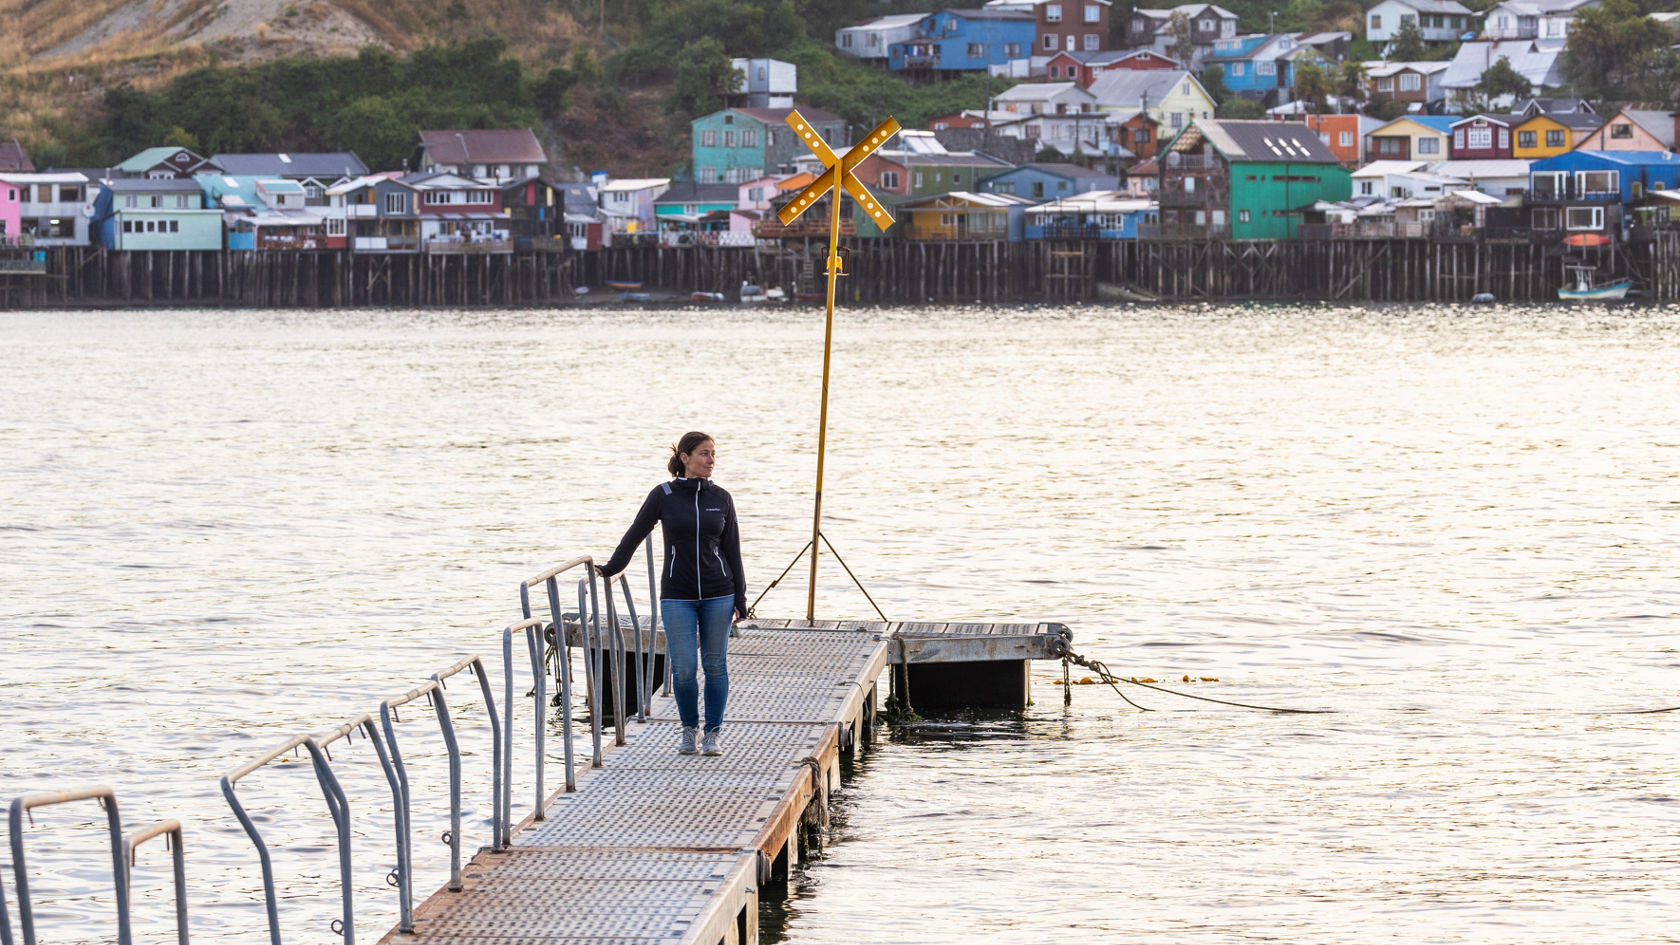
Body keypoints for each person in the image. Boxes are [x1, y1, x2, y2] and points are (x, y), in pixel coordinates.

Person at [599, 432, 747, 756]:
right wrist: (610, 568)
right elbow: (635, 534)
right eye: (704, 454)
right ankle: (688, 729)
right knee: (682, 668)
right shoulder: (663, 495)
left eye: (713, 454)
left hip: (718, 593)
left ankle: (712, 734)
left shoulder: (721, 498)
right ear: (685, 457)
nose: (711, 460)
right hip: (677, 594)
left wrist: (741, 598)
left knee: (715, 665)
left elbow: (732, 549)